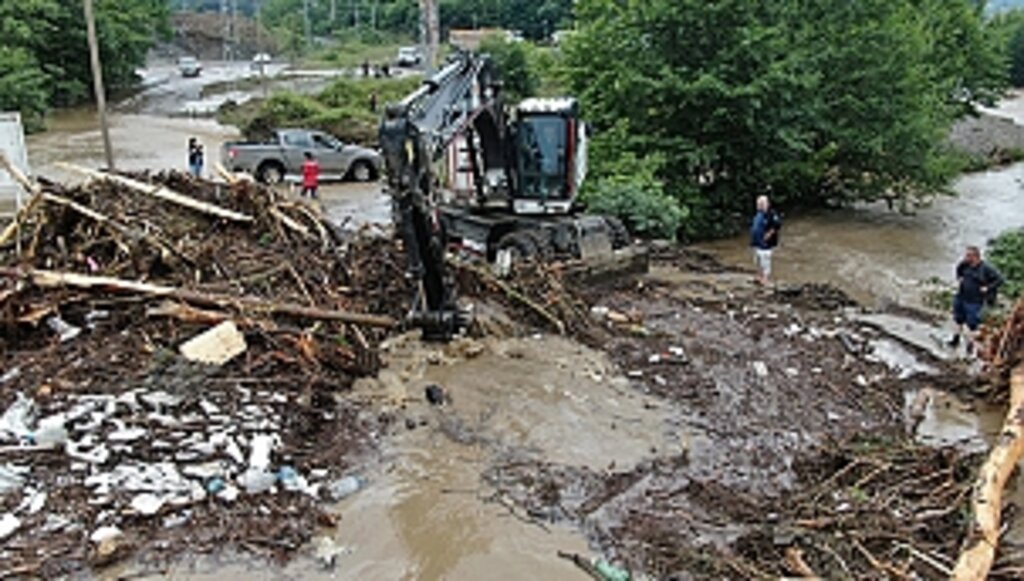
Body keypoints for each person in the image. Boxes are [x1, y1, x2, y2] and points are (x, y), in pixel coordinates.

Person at [948, 246, 1004, 354]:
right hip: (961, 296)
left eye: (968, 256)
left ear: (975, 257)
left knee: (972, 324)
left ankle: (970, 347)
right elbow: (958, 269)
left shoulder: (986, 268)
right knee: (957, 319)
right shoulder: (964, 264)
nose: (965, 257)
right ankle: (955, 340)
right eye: (966, 255)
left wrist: (987, 288)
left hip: (974, 301)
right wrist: (959, 278)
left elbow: (1000, 279)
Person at [749, 194, 782, 286]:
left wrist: (769, 234)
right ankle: (759, 276)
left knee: (765, 261)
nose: (759, 205)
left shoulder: (771, 214)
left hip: (766, 244)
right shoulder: (758, 214)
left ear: (767, 204)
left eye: (762, 203)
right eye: (758, 204)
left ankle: (765, 278)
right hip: (756, 242)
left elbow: (777, 225)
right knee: (757, 260)